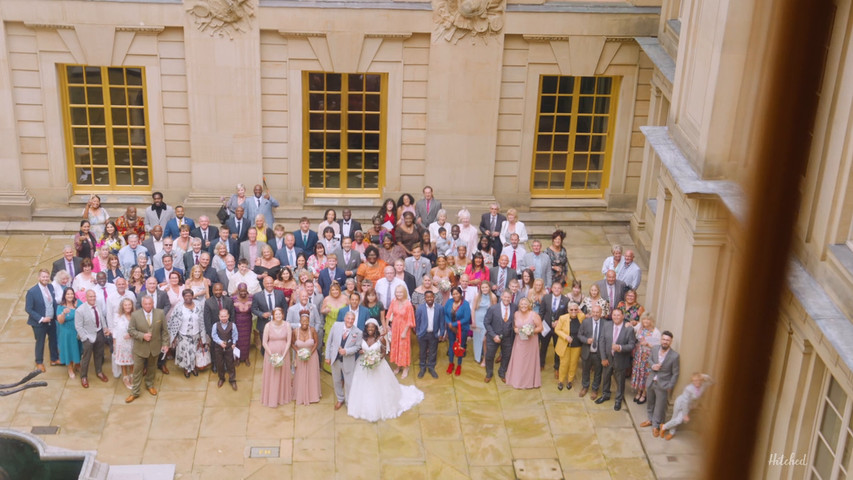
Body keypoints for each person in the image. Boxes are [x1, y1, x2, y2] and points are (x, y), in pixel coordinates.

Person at [347, 318, 424, 422]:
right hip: (363, 364)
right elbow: (359, 348)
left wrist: (376, 359)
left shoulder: (381, 339)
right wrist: (362, 352)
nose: (370, 329)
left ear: (375, 329)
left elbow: (384, 352)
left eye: (372, 327)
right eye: (368, 328)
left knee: (378, 387)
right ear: (366, 328)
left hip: (377, 365)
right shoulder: (362, 338)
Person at [126, 295, 169, 403]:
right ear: (142, 304)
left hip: (155, 347)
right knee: (137, 371)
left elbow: (164, 331)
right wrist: (142, 335)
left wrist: (165, 344)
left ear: (153, 303)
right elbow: (131, 330)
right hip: (140, 348)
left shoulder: (160, 313)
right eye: (145, 304)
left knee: (152, 368)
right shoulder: (135, 315)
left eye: (150, 304)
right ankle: (135, 392)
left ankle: (149, 385)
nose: (148, 306)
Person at [640, 331, 680, 437]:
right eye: (664, 339)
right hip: (651, 381)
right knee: (650, 402)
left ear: (671, 342)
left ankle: (656, 426)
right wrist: (653, 366)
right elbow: (649, 359)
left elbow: (675, 373)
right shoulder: (655, 349)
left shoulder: (674, 356)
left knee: (659, 406)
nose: (665, 342)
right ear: (661, 340)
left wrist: (670, 386)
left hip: (663, 384)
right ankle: (650, 420)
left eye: (667, 340)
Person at [595, 309, 636, 411]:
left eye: (618, 315)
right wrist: (603, 357)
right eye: (614, 315)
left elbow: (631, 345)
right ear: (611, 316)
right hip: (608, 358)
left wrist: (620, 348)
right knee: (606, 377)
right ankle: (605, 394)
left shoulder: (629, 329)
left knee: (620, 381)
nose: (616, 317)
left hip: (620, 359)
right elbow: (602, 341)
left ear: (623, 316)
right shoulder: (607, 325)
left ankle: (618, 400)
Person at [168, 288, 209, 378]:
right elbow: (172, 320)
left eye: (190, 295)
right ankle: (187, 368)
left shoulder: (198, 305)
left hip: (196, 334)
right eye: (186, 296)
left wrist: (203, 336)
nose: (188, 297)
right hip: (183, 335)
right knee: (185, 352)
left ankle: (193, 367)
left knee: (194, 351)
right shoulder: (179, 306)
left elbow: (202, 320)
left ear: (192, 296)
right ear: (183, 297)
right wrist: (173, 336)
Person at [659, 373, 713, 440]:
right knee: (675, 418)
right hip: (680, 403)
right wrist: (685, 415)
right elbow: (685, 402)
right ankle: (671, 432)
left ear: (701, 380)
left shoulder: (703, 386)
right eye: (694, 381)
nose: (697, 382)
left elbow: (711, 381)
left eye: (698, 380)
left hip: (688, 405)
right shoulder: (688, 388)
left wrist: (703, 375)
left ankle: (664, 426)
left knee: (678, 420)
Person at [25, 269, 60, 371]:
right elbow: (28, 308)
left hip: (51, 320)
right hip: (39, 323)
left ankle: (54, 359)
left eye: (47, 277)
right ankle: (39, 361)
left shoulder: (50, 287)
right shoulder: (32, 292)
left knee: (53, 340)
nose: (45, 279)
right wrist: (41, 319)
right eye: (43, 277)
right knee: (40, 342)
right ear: (39, 278)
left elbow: (53, 303)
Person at [327, 311, 362, 410]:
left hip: (348, 361)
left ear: (354, 320)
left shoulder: (358, 332)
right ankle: (340, 399)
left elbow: (357, 347)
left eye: (352, 319)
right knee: (336, 381)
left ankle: (349, 402)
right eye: (348, 318)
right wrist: (327, 356)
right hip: (335, 360)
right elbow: (330, 341)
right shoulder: (336, 325)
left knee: (348, 383)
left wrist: (346, 351)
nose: (350, 321)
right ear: (345, 318)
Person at [505, 297, 543, 389]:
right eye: (522, 304)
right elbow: (514, 327)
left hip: (531, 342)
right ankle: (517, 381)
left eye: (525, 304)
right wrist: (517, 330)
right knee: (519, 361)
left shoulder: (534, 315)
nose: (523, 306)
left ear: (529, 305)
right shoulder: (516, 314)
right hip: (519, 341)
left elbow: (540, 328)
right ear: (519, 305)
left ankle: (529, 382)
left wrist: (531, 331)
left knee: (529, 362)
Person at [75, 289, 109, 388]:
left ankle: (99, 372)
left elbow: (102, 318)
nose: (93, 298)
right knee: (86, 358)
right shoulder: (80, 310)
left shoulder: (97, 304)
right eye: (90, 296)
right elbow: (78, 327)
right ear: (86, 297)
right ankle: (83, 376)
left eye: (94, 296)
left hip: (99, 333)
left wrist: (105, 328)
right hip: (88, 337)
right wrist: (85, 338)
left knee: (99, 354)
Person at [261, 307, 293, 407]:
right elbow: (264, 342)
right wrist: (272, 355)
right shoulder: (268, 326)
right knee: (272, 374)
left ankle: (282, 396)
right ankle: (271, 397)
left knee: (283, 374)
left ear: (282, 315)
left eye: (280, 314)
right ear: (273, 316)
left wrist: (284, 354)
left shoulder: (287, 325)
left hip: (284, 353)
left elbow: (289, 341)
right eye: (276, 314)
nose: (278, 316)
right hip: (271, 353)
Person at [484, 291, 516, 383]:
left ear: (511, 298)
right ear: (501, 297)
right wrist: (494, 335)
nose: (506, 299)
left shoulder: (514, 307)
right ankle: (489, 373)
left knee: (506, 356)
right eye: (505, 297)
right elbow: (486, 323)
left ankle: (502, 372)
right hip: (493, 337)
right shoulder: (493, 308)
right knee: (489, 356)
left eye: (508, 297)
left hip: (508, 338)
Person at [252, 276, 288, 356]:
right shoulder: (257, 296)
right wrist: (261, 314)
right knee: (265, 345)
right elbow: (253, 309)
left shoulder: (280, 293)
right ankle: (267, 362)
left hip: (279, 324)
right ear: (263, 284)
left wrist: (282, 319)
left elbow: (285, 307)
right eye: (267, 283)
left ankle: (279, 359)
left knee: (278, 344)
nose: (269, 285)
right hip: (263, 324)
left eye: (271, 283)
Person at [632, 312, 661, 404]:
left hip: (648, 357)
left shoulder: (655, 332)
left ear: (652, 321)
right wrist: (629, 323)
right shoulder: (640, 327)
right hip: (639, 355)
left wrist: (648, 344)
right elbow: (632, 328)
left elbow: (658, 347)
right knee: (639, 373)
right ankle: (639, 391)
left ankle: (644, 394)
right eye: (644, 319)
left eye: (648, 319)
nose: (646, 321)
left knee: (645, 375)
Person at [554, 302, 585, 391]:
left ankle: (570, 380)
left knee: (573, 363)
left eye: (575, 309)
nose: (573, 311)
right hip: (565, 345)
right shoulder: (563, 318)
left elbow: (583, 315)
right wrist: (565, 336)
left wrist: (579, 311)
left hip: (577, 345)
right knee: (564, 363)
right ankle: (561, 381)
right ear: (568, 310)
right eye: (571, 310)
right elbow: (557, 329)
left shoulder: (581, 317)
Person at [415, 291, 445, 379]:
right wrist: (418, 333)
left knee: (433, 352)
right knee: (422, 351)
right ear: (424, 298)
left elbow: (442, 322)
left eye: (431, 297)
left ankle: (431, 367)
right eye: (427, 297)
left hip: (434, 334)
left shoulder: (439, 308)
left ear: (434, 297)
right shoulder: (420, 308)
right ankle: (422, 368)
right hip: (423, 334)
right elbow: (418, 322)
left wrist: (441, 333)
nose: (429, 299)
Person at [292, 313, 321, 405]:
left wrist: (310, 353)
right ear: (300, 321)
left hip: (312, 356)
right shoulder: (295, 331)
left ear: (309, 322)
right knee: (300, 375)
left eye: (307, 321)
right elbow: (292, 344)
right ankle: (300, 394)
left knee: (312, 375)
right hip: (300, 356)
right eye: (303, 321)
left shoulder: (312, 330)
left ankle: (313, 395)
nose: (305, 322)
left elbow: (316, 343)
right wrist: (298, 352)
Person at [387, 285, 415, 378]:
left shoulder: (408, 304)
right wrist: (387, 326)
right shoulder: (394, 301)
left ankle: (406, 367)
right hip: (395, 327)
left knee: (403, 348)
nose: (398, 294)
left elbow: (410, 320)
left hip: (404, 329)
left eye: (400, 292)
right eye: (397, 292)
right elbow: (389, 313)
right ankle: (398, 365)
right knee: (396, 347)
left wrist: (404, 332)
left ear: (404, 293)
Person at [540, 281, 567, 376]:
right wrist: (540, 324)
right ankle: (541, 363)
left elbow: (567, 316)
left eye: (559, 288)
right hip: (546, 327)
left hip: (558, 329)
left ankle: (557, 367)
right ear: (551, 289)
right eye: (554, 288)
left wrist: (559, 322)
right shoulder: (546, 298)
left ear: (562, 289)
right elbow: (541, 312)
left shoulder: (566, 300)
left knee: (557, 348)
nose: (556, 290)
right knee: (543, 346)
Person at [320, 282, 348, 373]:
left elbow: (350, 309)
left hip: (342, 324)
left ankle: (342, 366)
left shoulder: (345, 298)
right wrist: (325, 310)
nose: (335, 291)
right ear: (330, 291)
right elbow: (322, 310)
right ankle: (329, 366)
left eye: (336, 290)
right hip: (330, 324)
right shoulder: (327, 299)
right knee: (330, 343)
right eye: (333, 290)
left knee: (341, 344)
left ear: (339, 290)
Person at [577, 304, 604, 399]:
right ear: (591, 312)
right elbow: (579, 335)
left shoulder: (605, 324)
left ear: (601, 313)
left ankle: (595, 389)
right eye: (594, 312)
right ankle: (585, 387)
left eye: (598, 312)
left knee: (598, 372)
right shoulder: (585, 322)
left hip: (599, 353)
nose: (596, 314)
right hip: (587, 351)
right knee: (585, 370)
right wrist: (586, 340)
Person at [444, 286, 471, 376]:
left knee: (460, 347)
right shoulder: (449, 302)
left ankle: (459, 365)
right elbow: (445, 314)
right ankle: (451, 363)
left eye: (457, 293)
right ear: (452, 295)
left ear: (460, 294)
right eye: (453, 294)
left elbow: (466, 318)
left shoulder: (465, 304)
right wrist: (449, 324)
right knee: (451, 346)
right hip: (451, 329)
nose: (455, 295)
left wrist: (454, 325)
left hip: (462, 329)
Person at [55, 287, 81, 378]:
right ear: (64, 296)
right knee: (69, 350)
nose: (70, 296)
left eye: (71, 294)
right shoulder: (60, 307)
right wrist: (63, 313)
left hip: (78, 331)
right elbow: (60, 321)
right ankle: (70, 368)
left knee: (78, 349)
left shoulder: (78, 303)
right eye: (68, 294)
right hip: (67, 333)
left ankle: (77, 364)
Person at [211, 308, 238, 390]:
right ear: (219, 317)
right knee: (220, 364)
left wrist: (234, 343)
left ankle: (232, 380)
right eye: (222, 316)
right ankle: (221, 378)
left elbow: (235, 335)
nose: (224, 318)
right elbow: (214, 335)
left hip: (229, 347)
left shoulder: (232, 325)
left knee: (230, 364)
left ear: (228, 316)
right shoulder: (215, 325)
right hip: (218, 348)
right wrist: (220, 342)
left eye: (225, 316)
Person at [112, 298, 136, 389]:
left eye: (129, 304)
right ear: (122, 306)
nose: (127, 307)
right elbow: (115, 330)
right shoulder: (117, 316)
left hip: (132, 341)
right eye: (125, 305)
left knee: (132, 359)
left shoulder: (135, 315)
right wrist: (114, 343)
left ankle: (132, 375)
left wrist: (131, 334)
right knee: (123, 360)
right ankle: (125, 377)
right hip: (121, 342)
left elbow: (139, 328)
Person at [471, 281, 496, 366]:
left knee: (485, 340)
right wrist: (473, 321)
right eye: (483, 287)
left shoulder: (493, 297)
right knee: (477, 339)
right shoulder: (477, 296)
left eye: (486, 287)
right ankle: (477, 356)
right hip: (477, 321)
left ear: (489, 288)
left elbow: (495, 311)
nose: (485, 289)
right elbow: (473, 309)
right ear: (480, 289)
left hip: (487, 321)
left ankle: (485, 359)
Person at [204, 283, 235, 349]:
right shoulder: (208, 302)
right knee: (216, 354)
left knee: (227, 353)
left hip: (227, 332)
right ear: (212, 291)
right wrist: (210, 334)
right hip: (214, 333)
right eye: (216, 290)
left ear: (222, 290)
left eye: (220, 290)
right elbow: (207, 319)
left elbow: (232, 316)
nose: (218, 292)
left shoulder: (229, 301)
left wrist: (231, 330)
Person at [232, 283, 254, 366]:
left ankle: (246, 357)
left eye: (244, 291)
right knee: (237, 340)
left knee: (247, 340)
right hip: (237, 322)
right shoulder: (233, 298)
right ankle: (237, 358)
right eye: (241, 291)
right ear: (238, 291)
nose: (243, 293)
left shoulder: (251, 297)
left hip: (248, 322)